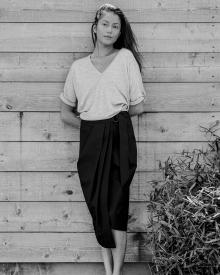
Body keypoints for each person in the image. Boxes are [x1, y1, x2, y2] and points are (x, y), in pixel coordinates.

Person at [59, 3, 146, 275]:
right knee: (99, 205)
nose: (110, 30)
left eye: (116, 26)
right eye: (106, 24)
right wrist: (92, 127)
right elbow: (65, 112)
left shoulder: (125, 59)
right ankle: (107, 270)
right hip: (92, 140)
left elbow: (138, 106)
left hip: (120, 136)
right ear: (95, 28)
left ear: (120, 32)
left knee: (117, 204)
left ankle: (115, 272)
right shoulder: (78, 68)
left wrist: (113, 121)